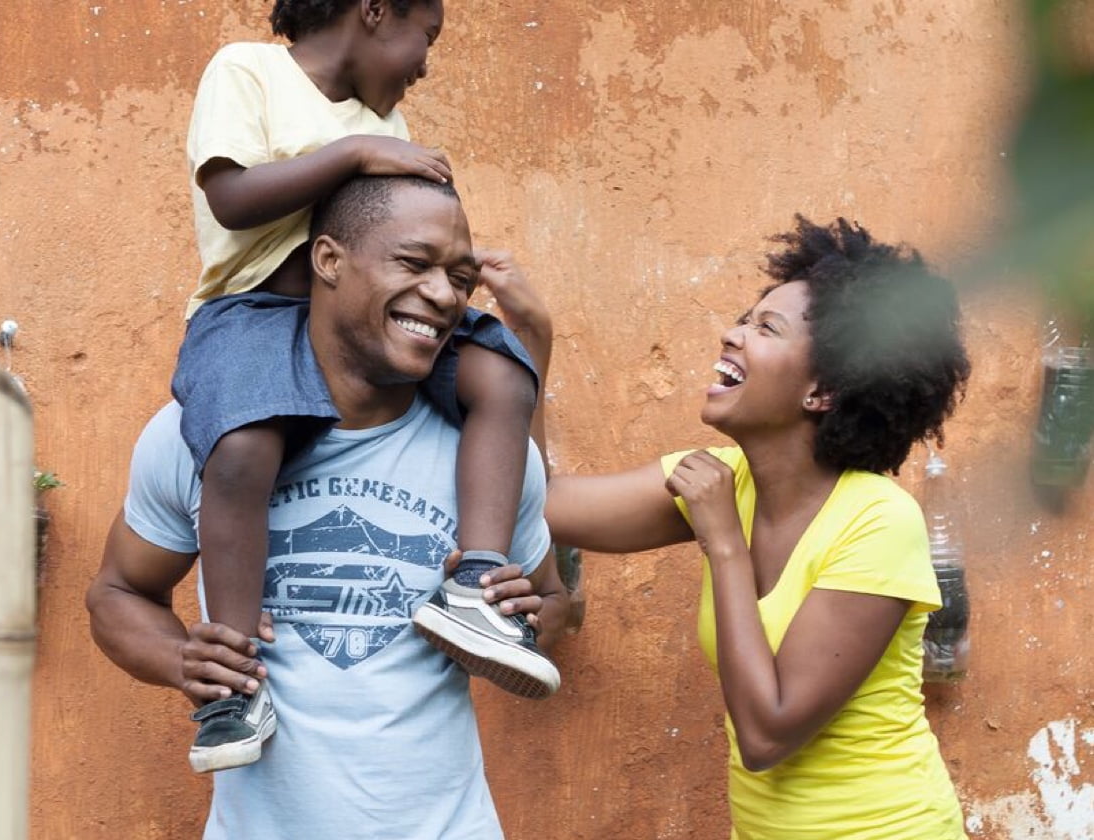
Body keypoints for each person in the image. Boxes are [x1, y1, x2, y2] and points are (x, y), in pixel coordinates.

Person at [87, 174, 569, 838]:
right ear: (329, 260)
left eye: (461, 278)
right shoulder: (203, 436)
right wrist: (182, 662)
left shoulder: (485, 460)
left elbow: (558, 600)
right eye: (413, 261)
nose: (443, 294)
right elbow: (118, 592)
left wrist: (527, 609)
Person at [172, 0, 555, 771]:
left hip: (357, 327)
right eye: (428, 37)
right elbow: (231, 196)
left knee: (503, 370)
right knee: (243, 447)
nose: (426, 63)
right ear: (376, 11)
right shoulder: (250, 71)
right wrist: (355, 154)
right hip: (248, 316)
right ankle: (235, 684)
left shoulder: (389, 136)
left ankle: (476, 586)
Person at [543, 216, 971, 838]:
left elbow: (768, 734)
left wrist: (723, 543)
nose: (731, 334)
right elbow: (543, 504)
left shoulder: (879, 519)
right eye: (745, 318)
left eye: (764, 327)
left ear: (822, 390)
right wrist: (529, 344)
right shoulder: (720, 480)